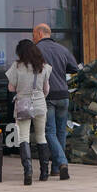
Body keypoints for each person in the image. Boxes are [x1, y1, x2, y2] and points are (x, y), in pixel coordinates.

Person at [33, 23, 78, 180]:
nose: (33, 38)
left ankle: (63, 162)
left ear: (39, 33)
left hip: (48, 96)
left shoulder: (36, 50)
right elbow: (74, 68)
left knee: (49, 132)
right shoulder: (62, 49)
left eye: (33, 35)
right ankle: (57, 169)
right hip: (64, 95)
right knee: (60, 132)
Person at [6, 38, 51, 185]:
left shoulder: (16, 67)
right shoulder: (44, 67)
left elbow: (11, 88)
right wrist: (39, 96)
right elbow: (46, 89)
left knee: (23, 137)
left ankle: (28, 172)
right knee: (41, 136)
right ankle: (44, 172)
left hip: (23, 104)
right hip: (40, 104)